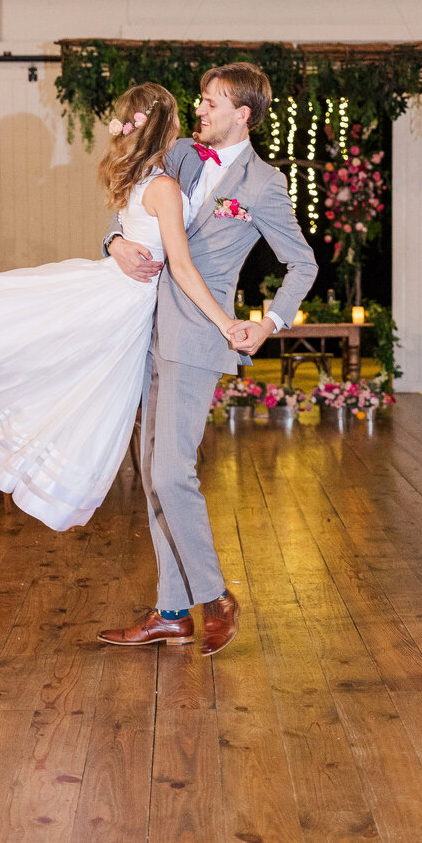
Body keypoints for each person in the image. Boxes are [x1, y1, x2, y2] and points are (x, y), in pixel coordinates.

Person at [0, 82, 238, 532]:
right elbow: (179, 264)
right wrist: (225, 322)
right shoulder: (162, 186)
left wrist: (120, 241)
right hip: (122, 302)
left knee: (49, 362)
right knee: (56, 372)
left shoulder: (140, 179)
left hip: (121, 298)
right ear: (168, 126)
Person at [97, 62, 318, 656]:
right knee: (152, 474)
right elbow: (131, 211)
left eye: (213, 102)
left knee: (171, 472)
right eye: (200, 99)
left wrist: (269, 323)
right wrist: (113, 245)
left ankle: (215, 596)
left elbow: (304, 264)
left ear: (243, 114)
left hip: (198, 337)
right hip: (140, 328)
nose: (201, 109)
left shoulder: (264, 184)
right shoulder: (179, 158)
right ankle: (172, 612)